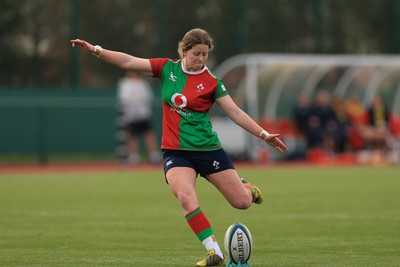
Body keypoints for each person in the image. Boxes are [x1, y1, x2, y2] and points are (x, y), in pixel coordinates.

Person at [71, 28, 288, 266]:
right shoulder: (167, 68)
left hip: (208, 150)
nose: (201, 59)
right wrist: (96, 50)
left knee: (241, 203)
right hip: (176, 153)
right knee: (185, 197)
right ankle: (214, 251)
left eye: (205, 54)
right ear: (184, 50)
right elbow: (129, 61)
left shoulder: (212, 81)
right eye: (197, 54)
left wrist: (263, 134)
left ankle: (249, 189)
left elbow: (235, 113)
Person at [116, 70, 160, 165]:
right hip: (131, 116)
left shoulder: (143, 83)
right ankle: (133, 157)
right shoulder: (124, 83)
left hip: (143, 114)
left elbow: (148, 97)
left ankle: (154, 155)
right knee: (132, 135)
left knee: (149, 133)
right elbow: (123, 99)